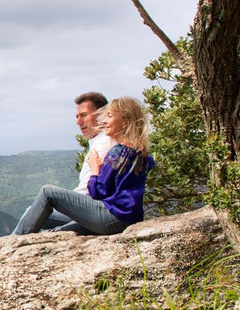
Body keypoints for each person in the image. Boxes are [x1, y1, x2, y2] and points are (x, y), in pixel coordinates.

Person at [13, 97, 155, 236]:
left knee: (47, 192)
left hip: (111, 217)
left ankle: (13, 240)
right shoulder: (139, 153)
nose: (104, 121)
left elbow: (97, 193)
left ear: (125, 122)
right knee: (57, 233)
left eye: (109, 116)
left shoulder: (117, 153)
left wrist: (95, 169)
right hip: (126, 219)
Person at [37, 92, 115, 231]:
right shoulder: (98, 143)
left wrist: (68, 204)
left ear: (101, 115)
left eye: (84, 115)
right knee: (39, 218)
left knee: (41, 204)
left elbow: (91, 192)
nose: (78, 122)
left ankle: (10, 243)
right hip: (95, 211)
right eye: (77, 116)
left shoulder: (103, 145)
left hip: (94, 211)